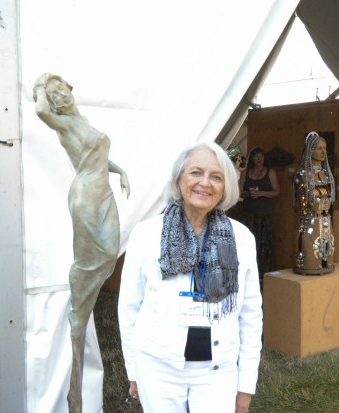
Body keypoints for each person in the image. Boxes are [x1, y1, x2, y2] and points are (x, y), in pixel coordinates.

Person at [118, 142, 262, 413]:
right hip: (158, 367)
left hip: (218, 372)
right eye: (196, 172)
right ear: (179, 179)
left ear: (225, 187)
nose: (205, 183)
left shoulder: (241, 238)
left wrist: (246, 383)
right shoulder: (146, 234)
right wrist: (134, 368)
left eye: (216, 177)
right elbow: (129, 307)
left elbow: (251, 314)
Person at [33, 72, 130, 412]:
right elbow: (41, 111)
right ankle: (79, 315)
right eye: (55, 92)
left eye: (62, 88)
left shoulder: (82, 121)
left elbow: (100, 152)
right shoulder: (62, 123)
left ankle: (81, 308)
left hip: (104, 191)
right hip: (86, 195)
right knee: (98, 255)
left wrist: (120, 171)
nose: (60, 95)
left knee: (110, 251)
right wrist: (41, 85)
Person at [292, 132, 335, 275]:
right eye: (319, 148)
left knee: (328, 253)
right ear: (310, 150)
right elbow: (299, 203)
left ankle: (325, 264)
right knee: (310, 258)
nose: (323, 151)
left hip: (326, 222)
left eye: (325, 148)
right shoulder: (302, 176)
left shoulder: (327, 175)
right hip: (309, 223)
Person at [238, 147, 280, 283]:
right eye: (256, 156)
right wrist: (248, 194)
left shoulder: (270, 172)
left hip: (265, 215)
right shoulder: (245, 173)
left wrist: (261, 193)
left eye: (261, 156)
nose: (259, 159)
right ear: (252, 159)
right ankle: (247, 272)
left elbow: (276, 192)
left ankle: (264, 275)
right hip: (249, 214)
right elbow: (239, 193)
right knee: (249, 244)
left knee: (265, 245)